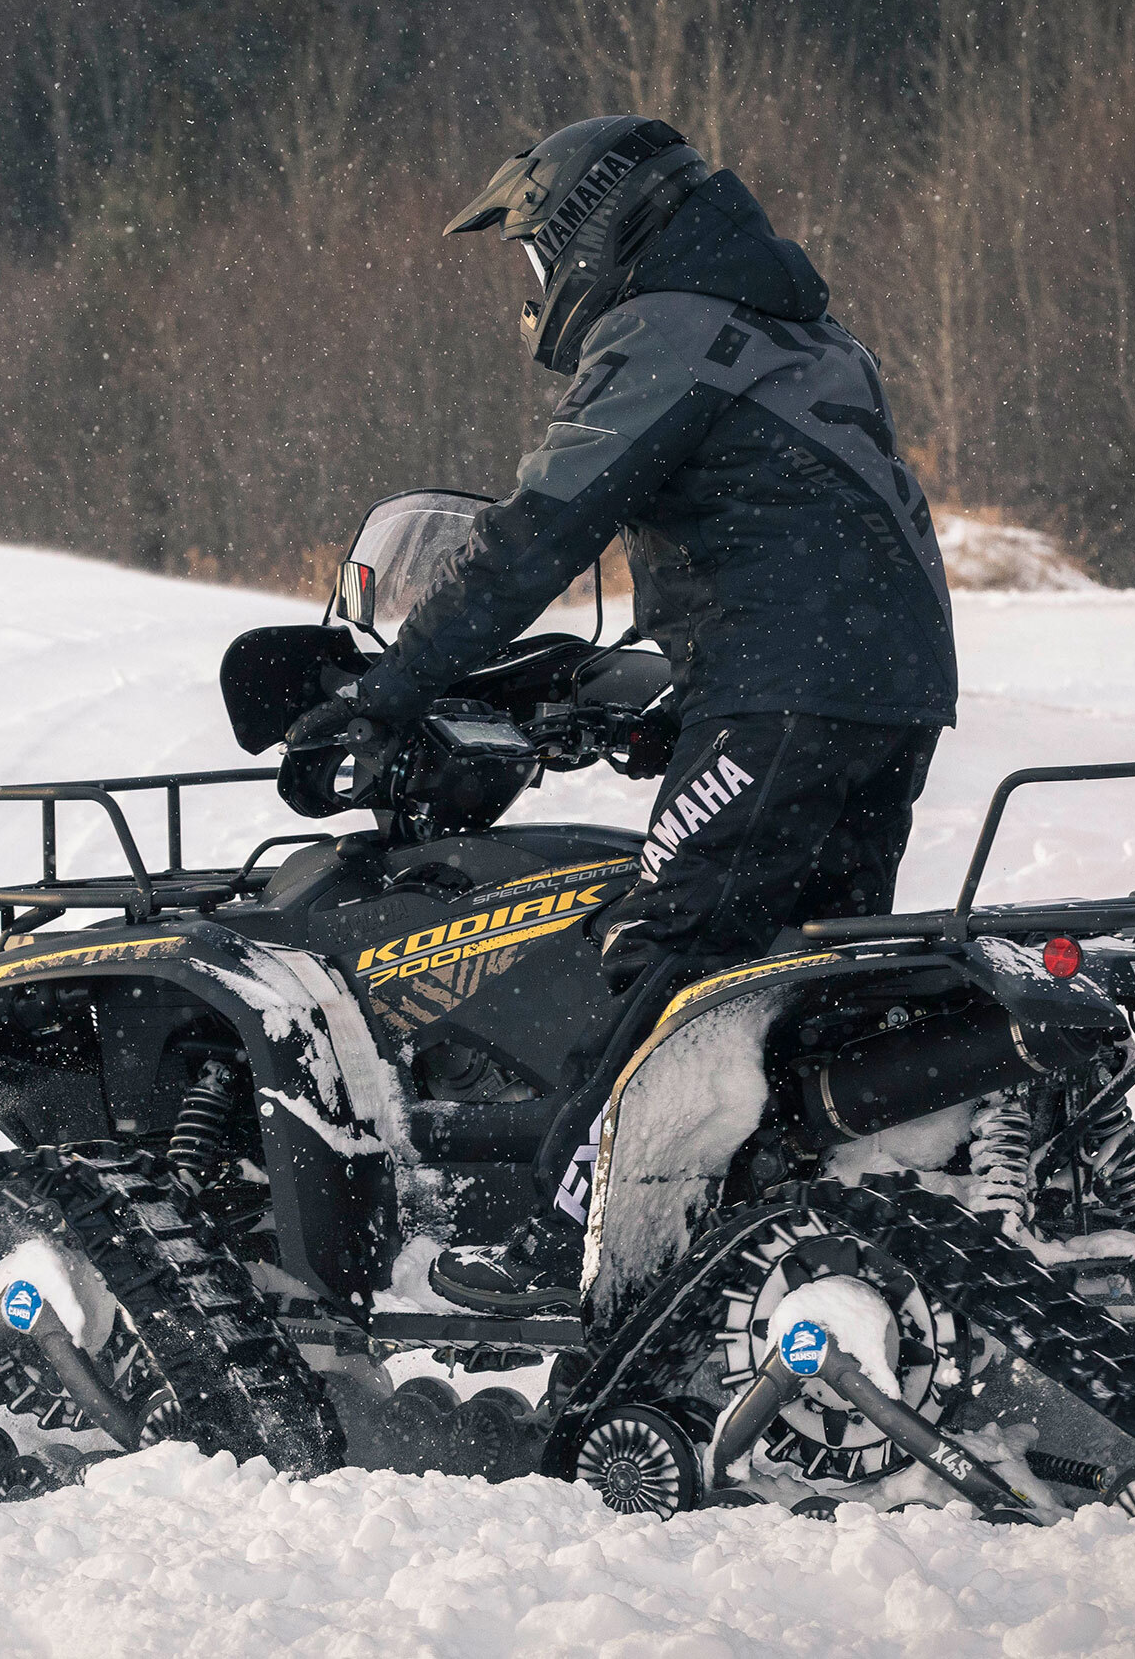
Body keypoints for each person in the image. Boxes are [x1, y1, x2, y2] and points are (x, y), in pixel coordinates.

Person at [286, 116, 957, 1311]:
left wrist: (391, 689)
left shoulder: (669, 327)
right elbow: (792, 536)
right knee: (805, 969)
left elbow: (539, 532)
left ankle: (572, 1240)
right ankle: (782, 1223)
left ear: (602, 227)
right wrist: (674, 705)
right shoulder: (802, 336)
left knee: (673, 950)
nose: (538, 282)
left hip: (782, 693)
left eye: (540, 252)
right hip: (884, 694)